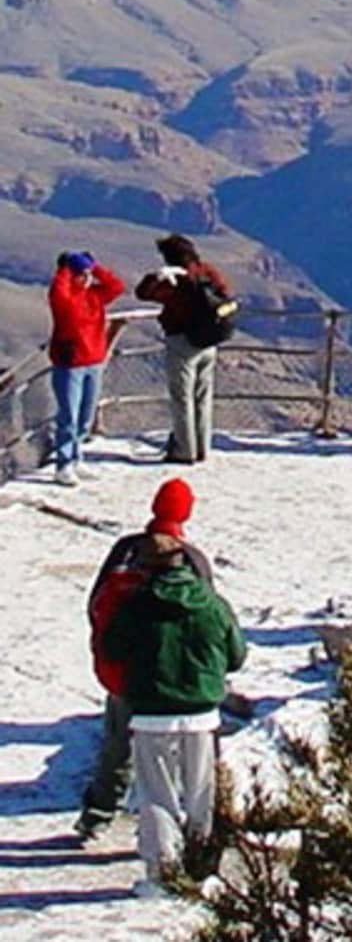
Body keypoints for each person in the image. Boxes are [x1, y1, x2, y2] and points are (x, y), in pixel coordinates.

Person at [102, 532, 245, 898]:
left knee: (156, 796)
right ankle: (200, 870)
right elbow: (236, 655)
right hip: (201, 715)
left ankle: (162, 875)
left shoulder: (135, 606)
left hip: (151, 714)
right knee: (201, 793)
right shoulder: (213, 604)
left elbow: (112, 648)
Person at [75, 478, 214, 842]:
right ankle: (181, 832)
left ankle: (98, 813)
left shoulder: (124, 550)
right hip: (173, 678)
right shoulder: (193, 559)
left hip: (123, 671)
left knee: (118, 743)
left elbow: (95, 603)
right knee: (176, 761)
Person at [135, 235, 234, 464]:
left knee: (182, 398)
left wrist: (158, 275)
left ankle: (183, 451)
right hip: (210, 341)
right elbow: (226, 293)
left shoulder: (175, 279)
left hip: (182, 342)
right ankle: (202, 448)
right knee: (202, 397)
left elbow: (143, 292)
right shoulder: (207, 271)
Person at [47, 250, 126, 485]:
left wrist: (96, 267)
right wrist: (66, 269)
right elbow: (59, 292)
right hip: (70, 365)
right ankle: (63, 465)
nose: (86, 277)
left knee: (85, 416)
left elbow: (117, 287)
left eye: (87, 274)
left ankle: (76, 456)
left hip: (94, 362)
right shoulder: (63, 299)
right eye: (81, 274)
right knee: (68, 416)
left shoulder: (94, 295)